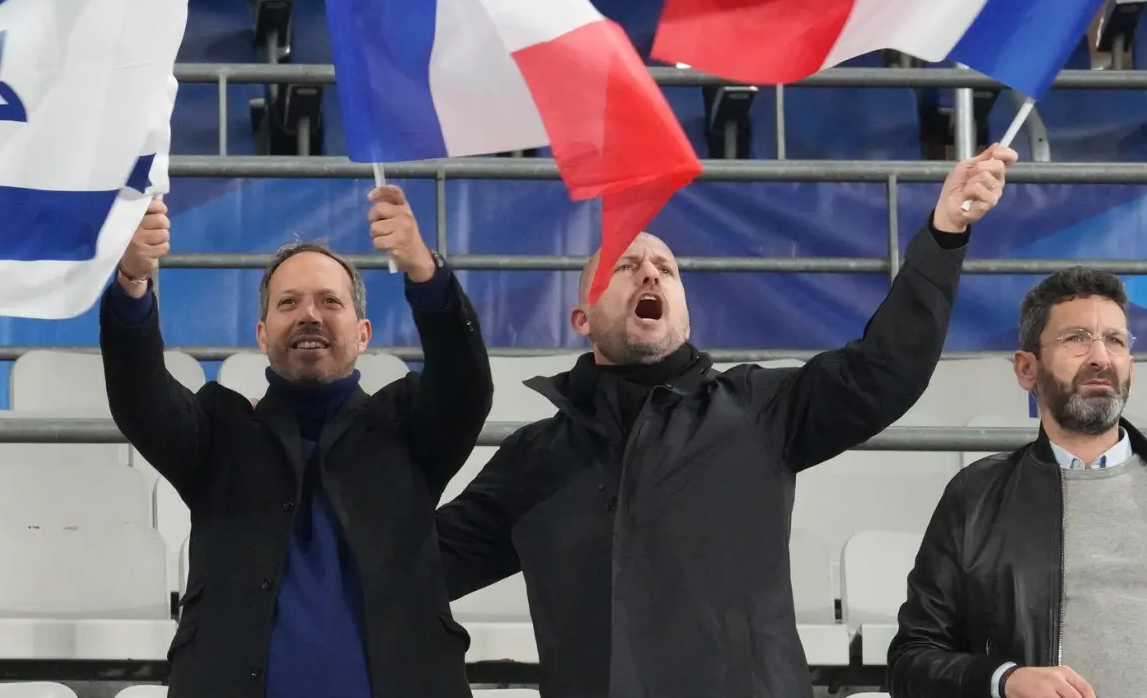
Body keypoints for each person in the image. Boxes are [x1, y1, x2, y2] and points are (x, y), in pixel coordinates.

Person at [435, 145, 1017, 698]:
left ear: (686, 312)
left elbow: (885, 370)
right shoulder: (532, 460)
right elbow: (416, 567)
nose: (651, 275)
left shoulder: (758, 406)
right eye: (626, 265)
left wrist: (943, 235)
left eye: (666, 268)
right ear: (581, 317)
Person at [100, 185, 492, 698]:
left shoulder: (410, 427)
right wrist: (132, 281)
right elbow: (140, 398)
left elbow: (465, 386)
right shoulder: (218, 432)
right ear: (263, 334)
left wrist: (425, 272)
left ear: (364, 333)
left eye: (330, 301)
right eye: (290, 303)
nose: (310, 314)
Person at [888, 267, 1147, 698]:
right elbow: (911, 661)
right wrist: (1004, 680)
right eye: (1076, 338)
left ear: (1130, 366)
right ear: (1026, 369)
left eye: (1114, 340)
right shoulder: (976, 496)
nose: (1100, 357)